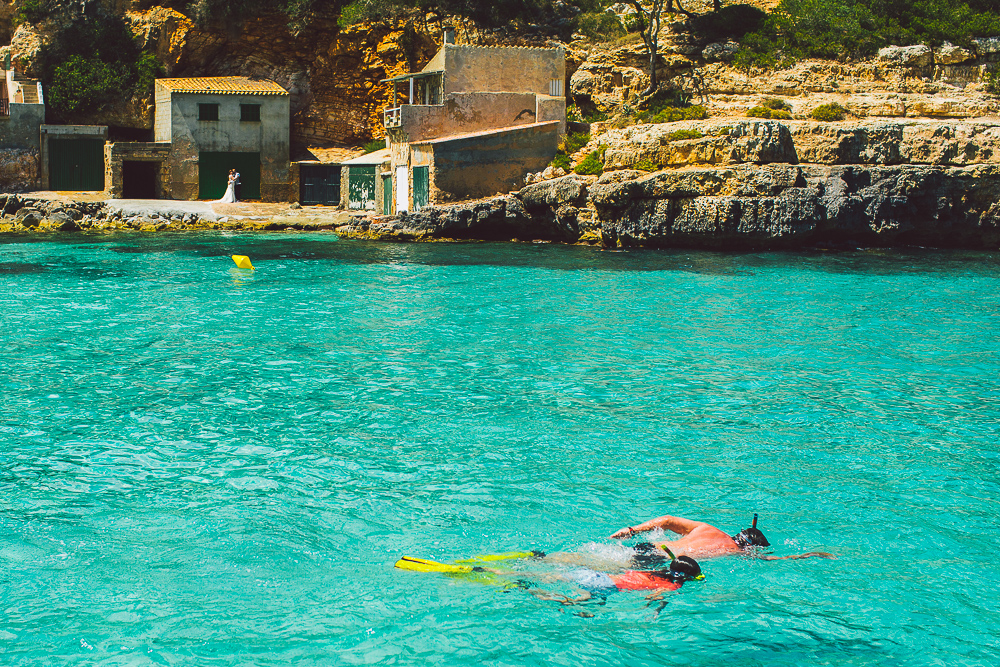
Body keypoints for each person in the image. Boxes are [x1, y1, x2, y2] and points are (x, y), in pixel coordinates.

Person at [610, 513, 835, 561]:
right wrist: (811, 554)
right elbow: (781, 560)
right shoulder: (737, 551)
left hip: (648, 546)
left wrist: (631, 530)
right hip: (660, 560)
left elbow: (667, 520)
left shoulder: (706, 528)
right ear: (750, 548)